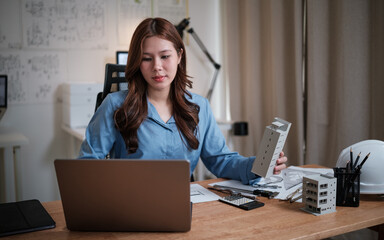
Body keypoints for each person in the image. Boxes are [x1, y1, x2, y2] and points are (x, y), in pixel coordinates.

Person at [79, 17, 287, 184]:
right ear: (137, 62)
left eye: (165, 56)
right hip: (130, 203)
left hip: (184, 203)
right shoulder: (115, 105)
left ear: (179, 56)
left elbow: (220, 160)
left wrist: (259, 165)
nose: (157, 67)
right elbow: (88, 165)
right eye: (147, 58)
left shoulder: (199, 106)